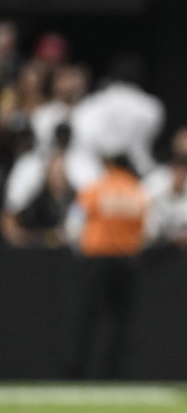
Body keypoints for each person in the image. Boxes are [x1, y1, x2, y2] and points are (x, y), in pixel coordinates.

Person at [62, 153, 149, 379]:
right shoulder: (137, 191)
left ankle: (77, 371)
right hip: (128, 261)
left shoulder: (95, 188)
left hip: (97, 259)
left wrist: (78, 249)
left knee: (87, 317)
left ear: (110, 165)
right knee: (121, 321)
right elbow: (149, 230)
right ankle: (113, 373)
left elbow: (74, 222)